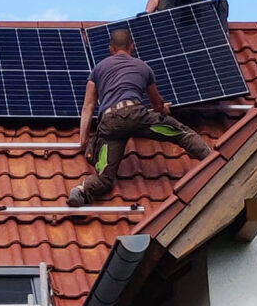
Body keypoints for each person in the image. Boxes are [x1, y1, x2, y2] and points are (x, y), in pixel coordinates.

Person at [67, 29, 211, 207]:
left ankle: (81, 190)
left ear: (111, 49)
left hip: (111, 125)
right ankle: (213, 160)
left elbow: (88, 106)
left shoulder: (98, 69)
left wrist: (83, 140)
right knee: (182, 134)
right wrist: (163, 109)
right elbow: (157, 105)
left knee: (105, 177)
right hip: (137, 116)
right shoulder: (143, 67)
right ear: (132, 46)